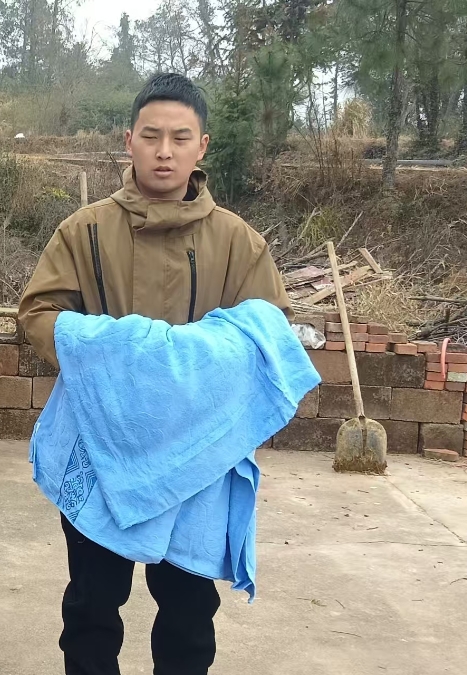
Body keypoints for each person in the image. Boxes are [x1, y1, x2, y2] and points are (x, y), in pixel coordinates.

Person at [17, 73, 292, 675]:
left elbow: (269, 334)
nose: (164, 151)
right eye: (151, 136)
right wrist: (122, 358)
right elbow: (38, 314)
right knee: (91, 607)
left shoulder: (239, 243)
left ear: (202, 146)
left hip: (198, 461)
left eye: (179, 137)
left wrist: (178, 369)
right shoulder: (84, 231)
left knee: (189, 616)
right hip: (101, 448)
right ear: (129, 141)